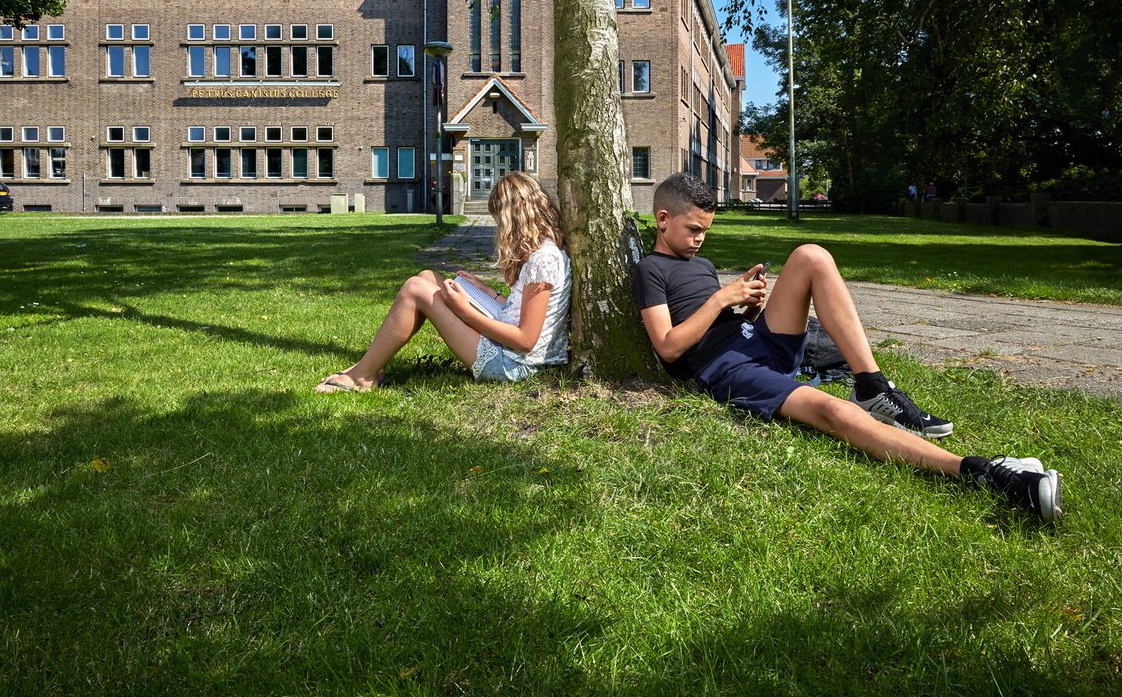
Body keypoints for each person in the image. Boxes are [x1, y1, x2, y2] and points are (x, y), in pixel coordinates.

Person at [632, 173, 1064, 524]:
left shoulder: (702, 265)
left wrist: (747, 307)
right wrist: (723, 298)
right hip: (725, 368)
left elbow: (725, 319)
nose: (700, 240)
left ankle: (872, 384)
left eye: (706, 231)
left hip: (756, 340)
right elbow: (669, 349)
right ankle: (985, 472)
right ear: (664, 219)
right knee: (834, 414)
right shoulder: (651, 270)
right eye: (693, 230)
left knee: (812, 255)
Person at [315, 171, 571, 392]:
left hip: (514, 365)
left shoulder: (543, 260)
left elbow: (526, 339)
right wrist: (485, 291)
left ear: (513, 219)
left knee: (416, 290)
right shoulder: (544, 252)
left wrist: (466, 312)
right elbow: (522, 311)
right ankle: (372, 364)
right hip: (513, 352)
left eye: (499, 223)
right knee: (427, 277)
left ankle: (362, 376)